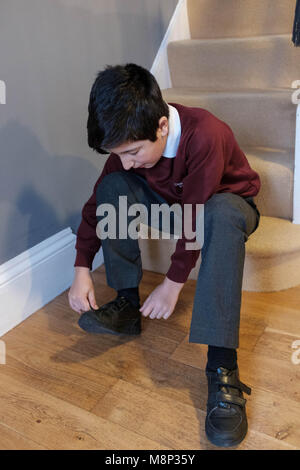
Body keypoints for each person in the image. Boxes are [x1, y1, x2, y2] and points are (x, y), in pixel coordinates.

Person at [68, 63, 261, 447]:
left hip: (225, 205)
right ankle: (126, 306)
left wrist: (173, 283)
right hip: (174, 203)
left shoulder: (207, 134)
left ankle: (223, 367)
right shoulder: (128, 147)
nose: (127, 160)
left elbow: (195, 214)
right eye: (118, 153)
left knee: (220, 212)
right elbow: (96, 205)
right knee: (113, 186)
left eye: (133, 152)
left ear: (161, 126)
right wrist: (81, 266)